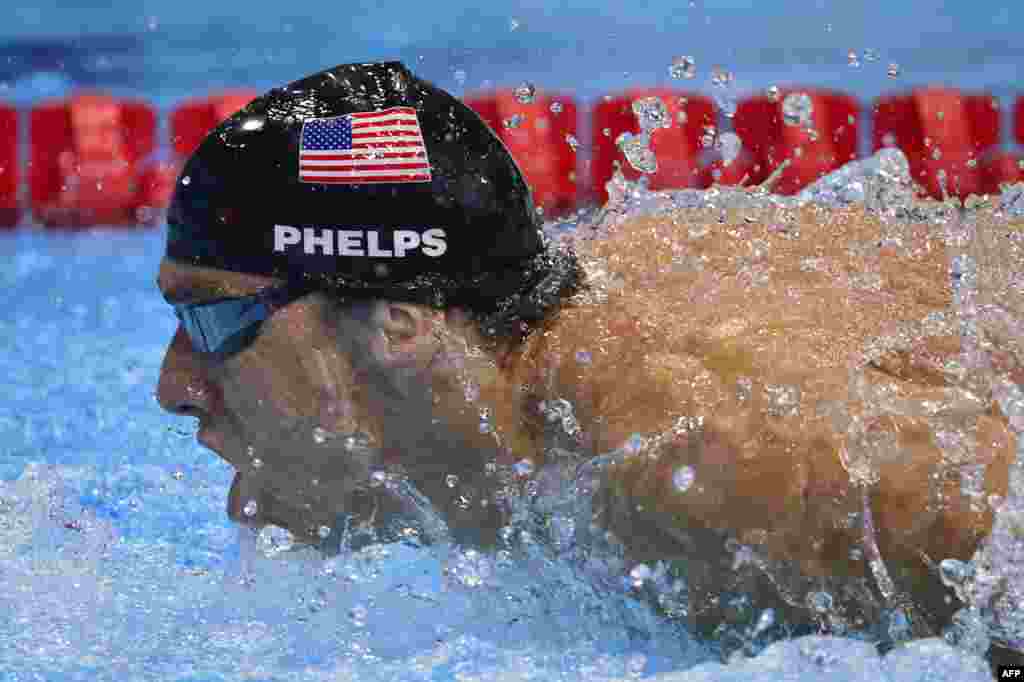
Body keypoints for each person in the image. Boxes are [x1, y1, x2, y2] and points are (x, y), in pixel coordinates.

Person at [155, 61, 1016, 645]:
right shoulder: (541, 324)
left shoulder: (703, 466)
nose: (174, 387)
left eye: (212, 322)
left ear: (398, 326)